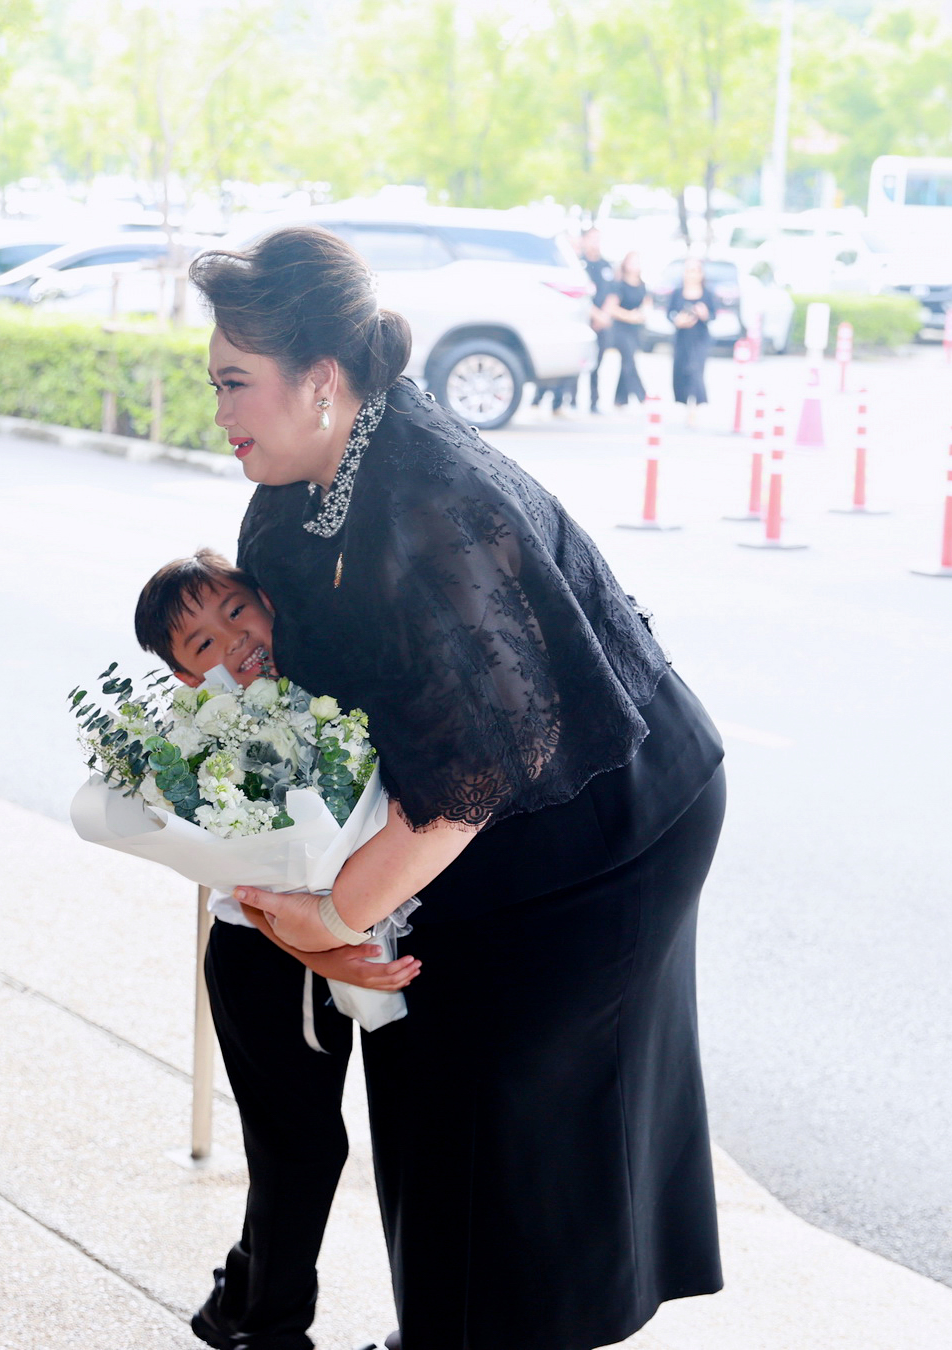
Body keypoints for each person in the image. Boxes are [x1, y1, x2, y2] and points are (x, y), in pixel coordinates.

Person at [192, 226, 728, 1350]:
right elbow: (325, 721)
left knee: (507, 1115)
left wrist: (338, 917)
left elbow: (471, 779)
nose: (222, 410)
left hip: (604, 831)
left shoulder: (433, 503)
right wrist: (303, 912)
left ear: (322, 381)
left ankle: (492, 1327)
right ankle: (449, 1321)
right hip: (471, 826)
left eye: (237, 383)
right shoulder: (289, 493)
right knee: (428, 1085)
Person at [134, 547, 419, 1350]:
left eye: (234, 611)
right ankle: (271, 1331)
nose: (232, 641)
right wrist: (323, 951)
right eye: (201, 645)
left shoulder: (321, 675)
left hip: (337, 942)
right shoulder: (212, 736)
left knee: (297, 1152)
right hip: (262, 960)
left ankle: (237, 1298)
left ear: (264, 596)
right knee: (303, 1153)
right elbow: (242, 884)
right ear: (189, 679)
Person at [668, 255, 719, 427]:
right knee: (681, 369)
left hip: (700, 337)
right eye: (689, 270)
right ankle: (683, 405)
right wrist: (678, 320)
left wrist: (704, 314)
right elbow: (670, 313)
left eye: (696, 271)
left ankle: (696, 406)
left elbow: (713, 314)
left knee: (696, 369)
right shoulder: (677, 292)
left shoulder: (707, 294)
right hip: (682, 336)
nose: (692, 274)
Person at [605, 250, 651, 407]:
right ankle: (643, 397)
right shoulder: (619, 284)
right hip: (620, 328)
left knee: (627, 362)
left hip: (635, 329)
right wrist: (629, 316)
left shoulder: (642, 285)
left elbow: (646, 305)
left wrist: (642, 315)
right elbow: (611, 308)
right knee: (629, 361)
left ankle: (620, 399)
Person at [578, 228, 614, 414]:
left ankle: (594, 402)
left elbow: (611, 293)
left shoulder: (605, 265)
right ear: (584, 240)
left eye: (598, 239)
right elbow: (579, 295)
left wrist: (603, 316)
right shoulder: (577, 263)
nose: (595, 242)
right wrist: (594, 314)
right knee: (576, 364)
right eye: (592, 238)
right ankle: (568, 401)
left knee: (597, 364)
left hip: (601, 322)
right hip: (581, 319)